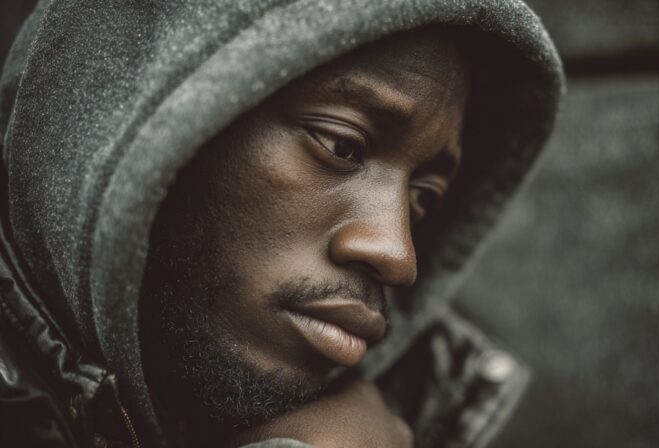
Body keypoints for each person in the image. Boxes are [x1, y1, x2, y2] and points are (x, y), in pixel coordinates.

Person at [0, 1, 563, 447]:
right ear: (128, 112)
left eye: (425, 197)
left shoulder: (418, 406)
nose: (398, 255)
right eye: (340, 145)